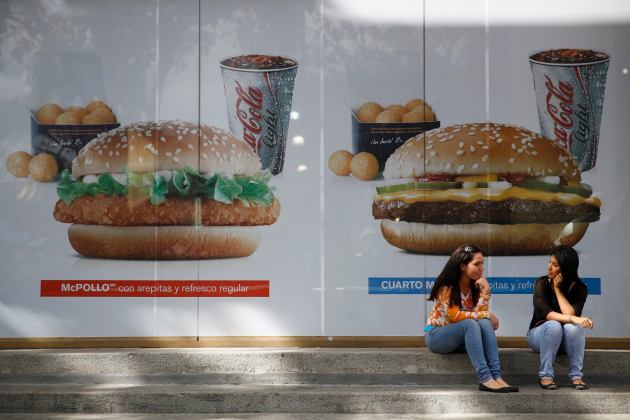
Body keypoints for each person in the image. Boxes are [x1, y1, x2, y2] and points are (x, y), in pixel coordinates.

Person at [424, 244, 517, 393]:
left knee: (484, 323)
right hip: (437, 336)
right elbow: (455, 317)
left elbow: (481, 317)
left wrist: (486, 292)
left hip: (461, 337)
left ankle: (497, 376)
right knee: (470, 324)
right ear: (462, 266)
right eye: (477, 264)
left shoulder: (476, 286)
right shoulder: (446, 287)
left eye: (482, 263)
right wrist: (485, 314)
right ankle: (485, 378)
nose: (481, 268)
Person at [527, 245, 593, 390]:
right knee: (554, 325)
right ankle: (546, 376)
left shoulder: (580, 288)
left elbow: (571, 313)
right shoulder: (541, 283)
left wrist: (558, 290)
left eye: (555, 265)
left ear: (566, 268)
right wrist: (573, 319)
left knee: (573, 329)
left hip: (566, 339)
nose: (549, 267)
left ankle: (576, 376)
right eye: (549, 262)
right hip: (540, 335)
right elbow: (546, 314)